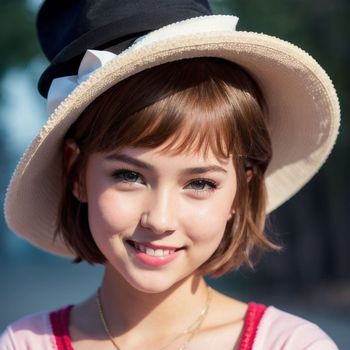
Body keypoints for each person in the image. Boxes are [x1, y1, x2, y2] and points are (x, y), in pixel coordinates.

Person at [0, 0, 340, 349]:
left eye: (200, 183)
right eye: (129, 176)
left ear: (240, 192)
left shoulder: (290, 344)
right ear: (76, 173)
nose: (160, 220)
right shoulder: (25, 343)